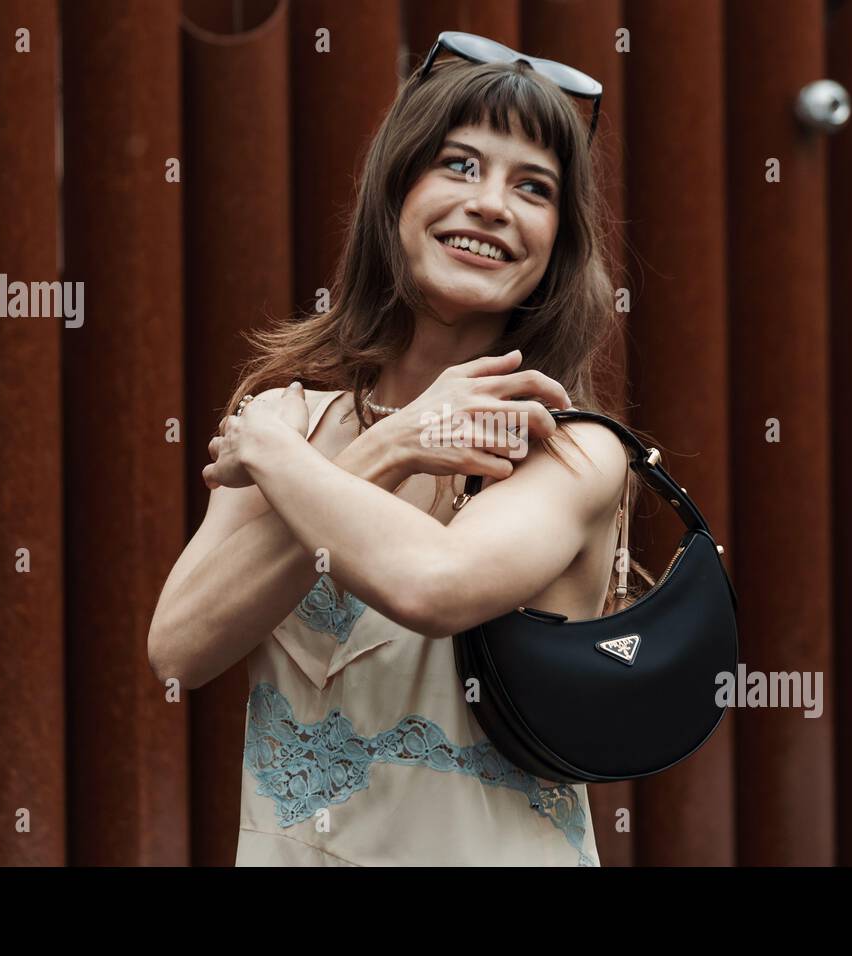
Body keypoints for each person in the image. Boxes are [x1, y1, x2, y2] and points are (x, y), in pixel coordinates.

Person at [148, 37, 655, 867]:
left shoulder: (574, 454)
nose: (492, 204)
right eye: (459, 165)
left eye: (533, 188)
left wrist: (288, 459)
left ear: (556, 249)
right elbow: (179, 647)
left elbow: (434, 584)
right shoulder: (288, 420)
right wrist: (390, 445)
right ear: (395, 196)